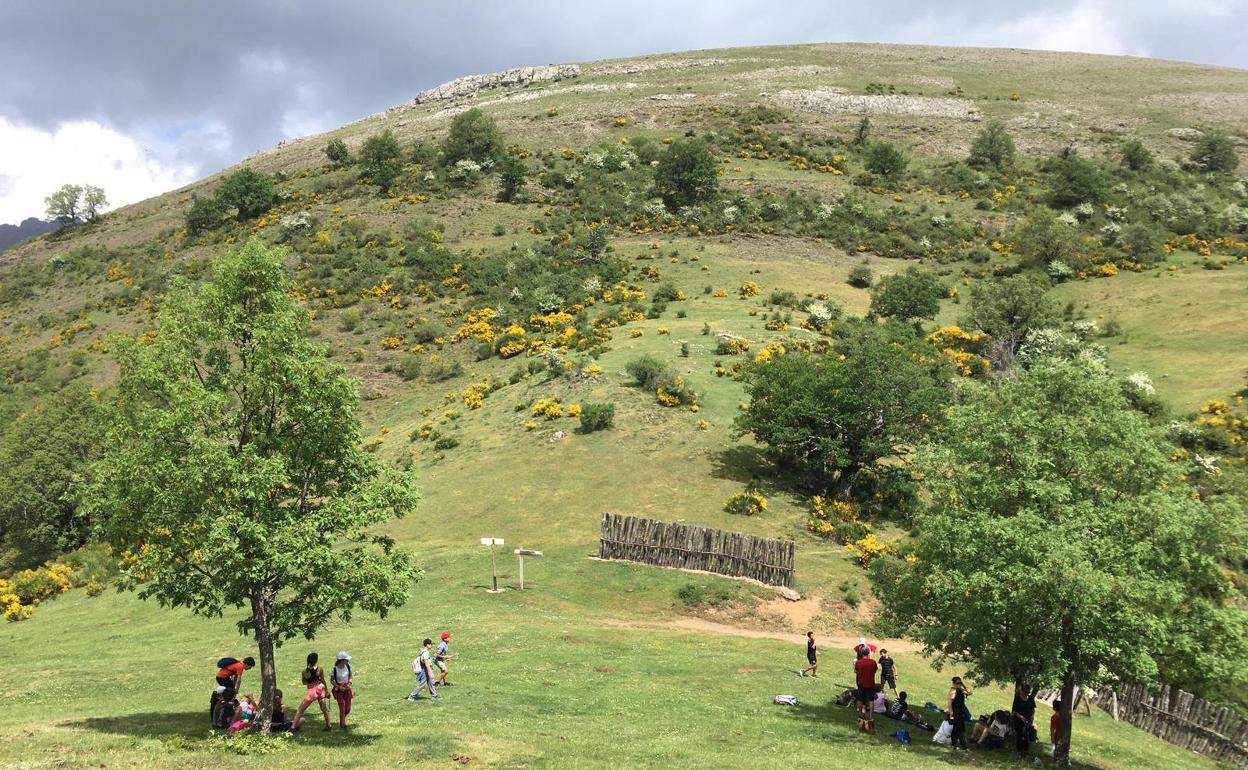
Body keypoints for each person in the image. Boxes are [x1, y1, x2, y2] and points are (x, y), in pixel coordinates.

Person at [292, 652, 332, 732]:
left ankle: (293, 727)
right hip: (320, 689)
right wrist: (326, 691)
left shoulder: (304, 671)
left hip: (312, 691)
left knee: (300, 709)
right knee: (324, 709)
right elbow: (323, 680)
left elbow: (304, 682)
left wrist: (310, 683)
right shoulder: (320, 669)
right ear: (316, 660)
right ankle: (328, 725)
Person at [853, 646, 878, 734]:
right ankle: (870, 717)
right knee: (871, 701)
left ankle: (861, 714)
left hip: (861, 683)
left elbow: (856, 672)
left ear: (861, 653)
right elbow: (875, 671)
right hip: (871, 683)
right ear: (868, 653)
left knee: (860, 699)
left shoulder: (859, 662)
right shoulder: (873, 662)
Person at [1012, 683, 1038, 757]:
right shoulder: (1017, 699)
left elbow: (1033, 709)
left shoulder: (1030, 699)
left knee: (1027, 735)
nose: (1026, 694)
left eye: (1028, 692)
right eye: (1025, 692)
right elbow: (1014, 711)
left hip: (1028, 720)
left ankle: (1026, 751)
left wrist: (1032, 716)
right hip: (1018, 720)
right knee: (1020, 735)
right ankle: (1019, 751)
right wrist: (1020, 717)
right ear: (1022, 691)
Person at [948, 676, 971, 750]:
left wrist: (963, 685)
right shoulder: (953, 691)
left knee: (956, 729)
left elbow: (969, 692)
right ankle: (964, 747)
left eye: (960, 683)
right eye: (957, 683)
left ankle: (953, 745)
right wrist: (951, 714)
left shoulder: (960, 690)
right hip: (956, 713)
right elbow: (950, 703)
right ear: (954, 684)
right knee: (961, 730)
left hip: (961, 713)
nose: (959, 684)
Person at [331, 651, 353, 730]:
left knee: (348, 708)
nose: (347, 661)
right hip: (339, 690)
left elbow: (350, 676)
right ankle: (342, 725)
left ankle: (342, 719)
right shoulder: (334, 669)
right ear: (341, 660)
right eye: (346, 660)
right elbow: (332, 680)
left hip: (347, 688)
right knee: (342, 707)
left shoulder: (348, 666)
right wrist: (339, 687)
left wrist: (349, 683)